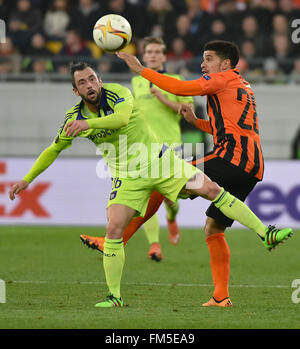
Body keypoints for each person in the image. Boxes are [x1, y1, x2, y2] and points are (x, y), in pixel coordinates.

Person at [9, 60, 292, 309]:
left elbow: (120, 119)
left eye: (92, 78)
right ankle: (114, 297)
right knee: (113, 228)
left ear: (100, 80)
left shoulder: (119, 93)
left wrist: (89, 126)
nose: (89, 84)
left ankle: (264, 232)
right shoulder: (74, 118)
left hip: (160, 162)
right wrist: (26, 179)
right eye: (82, 82)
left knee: (212, 190)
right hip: (128, 177)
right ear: (76, 91)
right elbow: (53, 150)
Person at [81, 37, 194, 262]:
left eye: (156, 52)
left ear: (163, 56)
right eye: (149, 52)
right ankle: (154, 245)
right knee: (144, 197)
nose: (152, 55)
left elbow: (188, 110)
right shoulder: (136, 84)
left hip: (172, 145)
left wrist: (163, 99)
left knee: (172, 200)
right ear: (144, 57)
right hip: (143, 149)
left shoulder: (174, 80)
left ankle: (172, 218)